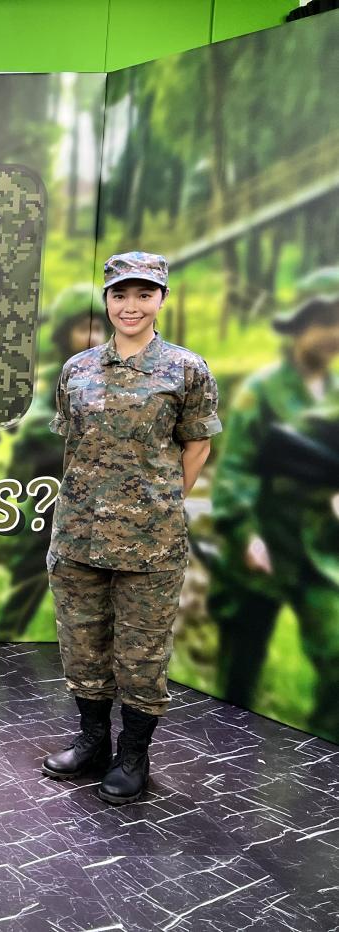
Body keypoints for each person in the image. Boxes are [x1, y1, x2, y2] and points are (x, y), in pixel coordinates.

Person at [42, 252, 221, 805]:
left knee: (141, 655)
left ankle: (133, 754)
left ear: (162, 299)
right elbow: (72, 445)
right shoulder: (77, 369)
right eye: (121, 295)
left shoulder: (186, 369)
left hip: (151, 543)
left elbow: (197, 445)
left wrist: (160, 502)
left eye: (144, 294)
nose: (131, 306)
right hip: (77, 538)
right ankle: (93, 742)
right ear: (107, 300)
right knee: (83, 648)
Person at [208, 267, 339, 738]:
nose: (333, 334)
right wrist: (244, 535)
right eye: (323, 321)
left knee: (337, 660)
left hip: (319, 549)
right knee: (239, 675)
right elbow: (235, 469)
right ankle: (223, 762)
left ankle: (326, 770)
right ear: (299, 327)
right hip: (262, 546)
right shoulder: (262, 390)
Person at [0, 285, 107, 640]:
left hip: (103, 504)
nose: (92, 336)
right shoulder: (61, 377)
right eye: (81, 327)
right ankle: (4, 643)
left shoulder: (116, 374)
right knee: (27, 580)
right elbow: (36, 427)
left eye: (99, 328)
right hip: (49, 498)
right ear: (62, 334)